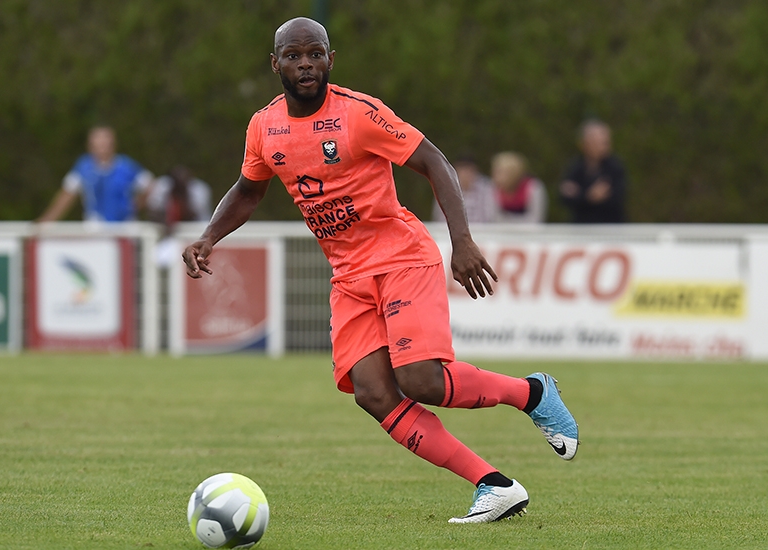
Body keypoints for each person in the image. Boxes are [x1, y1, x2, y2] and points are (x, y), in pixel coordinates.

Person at [182, 17, 579, 524]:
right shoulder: (264, 126)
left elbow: (436, 162)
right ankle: (494, 486)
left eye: (315, 54)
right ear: (275, 63)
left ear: (330, 59)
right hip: (348, 276)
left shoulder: (359, 114)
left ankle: (533, 393)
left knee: (422, 380)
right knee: (372, 392)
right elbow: (249, 189)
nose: (306, 64)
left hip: (401, 258)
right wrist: (209, 236)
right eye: (294, 55)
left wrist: (462, 242)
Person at [37, 126, 154, 222]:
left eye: (105, 142)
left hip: (124, 227)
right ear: (90, 145)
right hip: (95, 226)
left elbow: (150, 185)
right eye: (98, 142)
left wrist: (133, 206)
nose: (102, 146)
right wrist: (47, 220)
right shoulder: (84, 167)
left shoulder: (126, 166)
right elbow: (67, 194)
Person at [559, 119, 628, 223]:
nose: (604, 146)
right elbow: (565, 195)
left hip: (610, 226)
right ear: (584, 143)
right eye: (598, 142)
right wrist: (588, 197)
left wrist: (580, 195)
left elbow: (617, 197)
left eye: (606, 142)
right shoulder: (576, 167)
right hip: (581, 227)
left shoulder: (614, 167)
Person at [431, 157, 496, 224]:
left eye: (468, 171)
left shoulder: (486, 188)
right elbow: (440, 218)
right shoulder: (446, 189)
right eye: (462, 171)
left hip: (481, 231)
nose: (465, 175)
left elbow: (489, 216)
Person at [490, 151, 547, 223]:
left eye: (501, 173)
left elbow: (536, 219)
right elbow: (494, 218)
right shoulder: (493, 189)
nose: (496, 177)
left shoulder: (533, 187)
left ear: (514, 173)